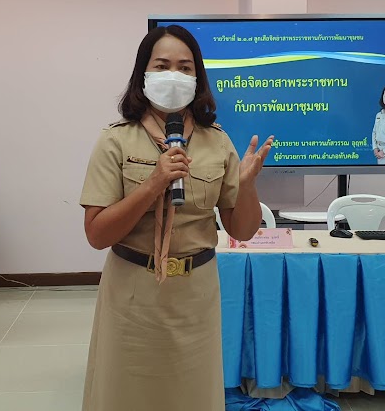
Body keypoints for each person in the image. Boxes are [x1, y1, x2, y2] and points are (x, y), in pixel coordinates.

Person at [79, 25, 273, 411]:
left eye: (185, 68)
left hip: (195, 295)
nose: (174, 76)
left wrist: (247, 186)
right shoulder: (116, 139)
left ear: (198, 78)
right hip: (134, 292)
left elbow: (242, 229)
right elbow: (97, 234)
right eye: (163, 65)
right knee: (126, 395)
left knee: (192, 397)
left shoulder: (217, 141)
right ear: (143, 74)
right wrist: (152, 184)